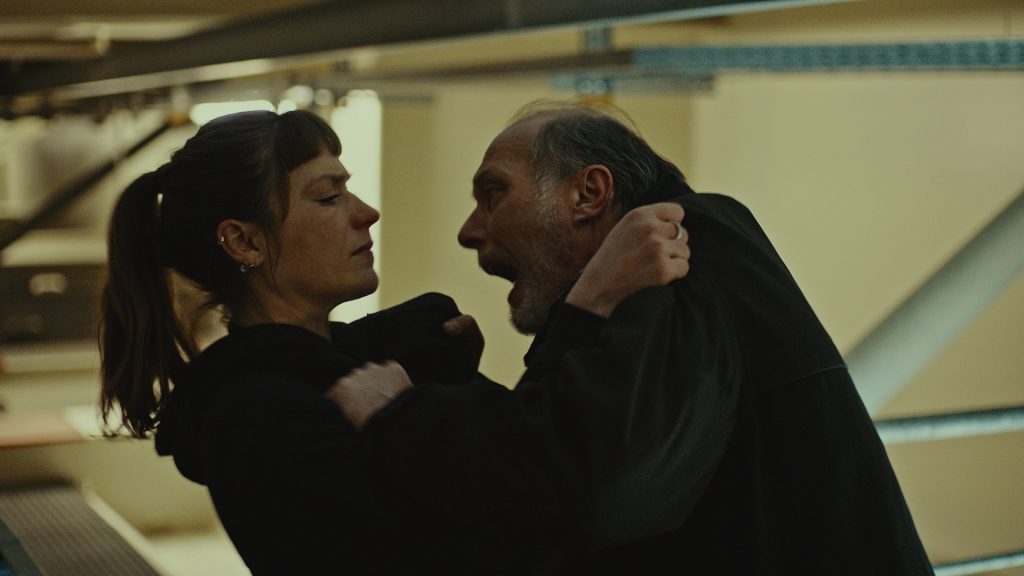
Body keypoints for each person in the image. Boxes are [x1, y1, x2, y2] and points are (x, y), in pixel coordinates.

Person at [328, 102, 935, 575]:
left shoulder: (678, 253)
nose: (470, 230)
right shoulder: (680, 267)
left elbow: (579, 496)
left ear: (588, 195)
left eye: (495, 194)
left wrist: (400, 416)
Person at [98, 109, 689, 575]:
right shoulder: (260, 419)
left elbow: (517, 471)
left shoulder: (373, 363)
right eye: (328, 197)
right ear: (245, 242)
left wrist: (446, 390)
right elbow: (521, 536)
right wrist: (586, 312)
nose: (367, 213)